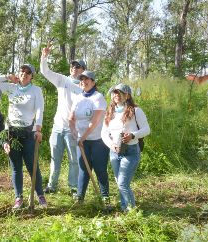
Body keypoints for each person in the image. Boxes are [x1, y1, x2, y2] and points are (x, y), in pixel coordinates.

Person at [0, 64, 47, 209]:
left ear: (32, 76)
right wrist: (8, 77)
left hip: (28, 132)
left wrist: (38, 128)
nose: (24, 74)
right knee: (16, 167)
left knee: (33, 166)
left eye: (28, 72)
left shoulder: (36, 90)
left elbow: (39, 109)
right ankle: (18, 197)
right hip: (12, 132)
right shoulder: (11, 87)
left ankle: (40, 195)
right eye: (22, 71)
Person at [40, 44, 86, 195]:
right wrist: (44, 57)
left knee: (74, 160)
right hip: (57, 127)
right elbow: (45, 71)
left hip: (73, 130)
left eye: (78, 66)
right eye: (73, 65)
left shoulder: (85, 88)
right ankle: (52, 186)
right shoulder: (62, 80)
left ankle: (73, 187)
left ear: (83, 71)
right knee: (55, 158)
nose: (75, 68)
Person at [102, 83, 150, 212]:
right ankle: (124, 207)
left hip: (130, 151)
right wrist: (111, 144)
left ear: (127, 95)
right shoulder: (110, 111)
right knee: (120, 183)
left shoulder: (136, 110)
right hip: (114, 151)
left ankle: (131, 210)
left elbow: (146, 130)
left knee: (123, 183)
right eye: (114, 93)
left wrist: (133, 135)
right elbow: (104, 133)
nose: (116, 95)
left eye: (120, 93)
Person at [69, 71, 110, 204]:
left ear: (93, 82)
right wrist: (74, 132)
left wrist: (82, 137)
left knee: (100, 169)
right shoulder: (78, 97)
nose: (84, 82)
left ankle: (105, 197)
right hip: (82, 141)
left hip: (98, 140)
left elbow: (94, 122)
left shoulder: (98, 98)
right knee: (83, 169)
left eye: (87, 79)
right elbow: (71, 118)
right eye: (82, 79)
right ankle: (80, 197)